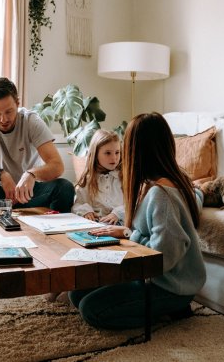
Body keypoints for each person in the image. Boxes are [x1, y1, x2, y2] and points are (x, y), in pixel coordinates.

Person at [68, 112, 206, 329]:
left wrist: (128, 247)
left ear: (137, 151)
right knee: (76, 294)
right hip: (152, 277)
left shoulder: (163, 194)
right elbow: (153, 231)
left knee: (91, 310)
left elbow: (164, 257)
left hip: (170, 286)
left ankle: (169, 313)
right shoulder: (156, 184)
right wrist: (126, 233)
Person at [0, 77, 75, 212]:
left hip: (29, 192)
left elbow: (57, 166)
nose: (3, 119)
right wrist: (0, 175)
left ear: (18, 103)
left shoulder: (31, 121)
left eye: (9, 111)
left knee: (65, 187)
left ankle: (53, 228)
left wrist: (31, 174)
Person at [72, 129, 124, 225]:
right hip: (95, 223)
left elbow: (135, 204)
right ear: (96, 154)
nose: (114, 158)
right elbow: (78, 204)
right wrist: (86, 211)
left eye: (117, 152)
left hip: (121, 222)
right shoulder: (88, 179)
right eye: (108, 153)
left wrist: (118, 213)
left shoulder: (124, 178)